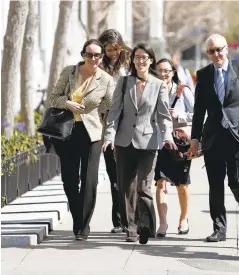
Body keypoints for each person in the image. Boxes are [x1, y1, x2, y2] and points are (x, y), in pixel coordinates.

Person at [187, 34, 239, 242]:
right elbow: (199, 110)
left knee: (238, 182)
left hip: (238, 135)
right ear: (207, 54)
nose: (216, 54)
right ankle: (219, 229)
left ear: (226, 49)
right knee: (215, 185)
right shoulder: (203, 74)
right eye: (211, 51)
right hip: (213, 138)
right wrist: (195, 139)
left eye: (219, 49)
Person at [102, 43, 176, 244]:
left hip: (149, 144)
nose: (140, 61)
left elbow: (163, 115)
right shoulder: (124, 83)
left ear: (150, 60)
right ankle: (131, 229)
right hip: (124, 143)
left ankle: (146, 225)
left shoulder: (158, 85)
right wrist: (109, 136)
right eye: (137, 57)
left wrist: (167, 136)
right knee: (125, 188)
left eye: (144, 57)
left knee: (144, 187)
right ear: (132, 60)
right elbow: (115, 112)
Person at [49, 39, 115, 240]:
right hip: (67, 131)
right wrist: (67, 103)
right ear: (83, 55)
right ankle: (78, 217)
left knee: (89, 180)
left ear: (102, 57)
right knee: (69, 179)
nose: (93, 58)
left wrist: (110, 132)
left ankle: (83, 226)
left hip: (92, 134)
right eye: (89, 54)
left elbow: (112, 109)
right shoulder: (69, 72)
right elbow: (53, 98)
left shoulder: (106, 80)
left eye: (97, 55)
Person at [154, 58, 194, 237]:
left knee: (182, 184)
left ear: (173, 72)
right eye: (160, 71)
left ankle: (183, 219)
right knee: (160, 183)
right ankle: (162, 223)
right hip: (159, 141)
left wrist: (180, 115)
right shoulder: (151, 90)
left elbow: (198, 114)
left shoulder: (182, 90)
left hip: (180, 143)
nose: (163, 74)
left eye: (167, 71)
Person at [98, 29, 131, 234]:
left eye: (116, 49)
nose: (112, 53)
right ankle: (118, 220)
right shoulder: (98, 65)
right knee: (114, 177)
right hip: (107, 125)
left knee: (128, 175)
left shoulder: (128, 65)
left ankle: (131, 218)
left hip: (128, 124)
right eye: (108, 49)